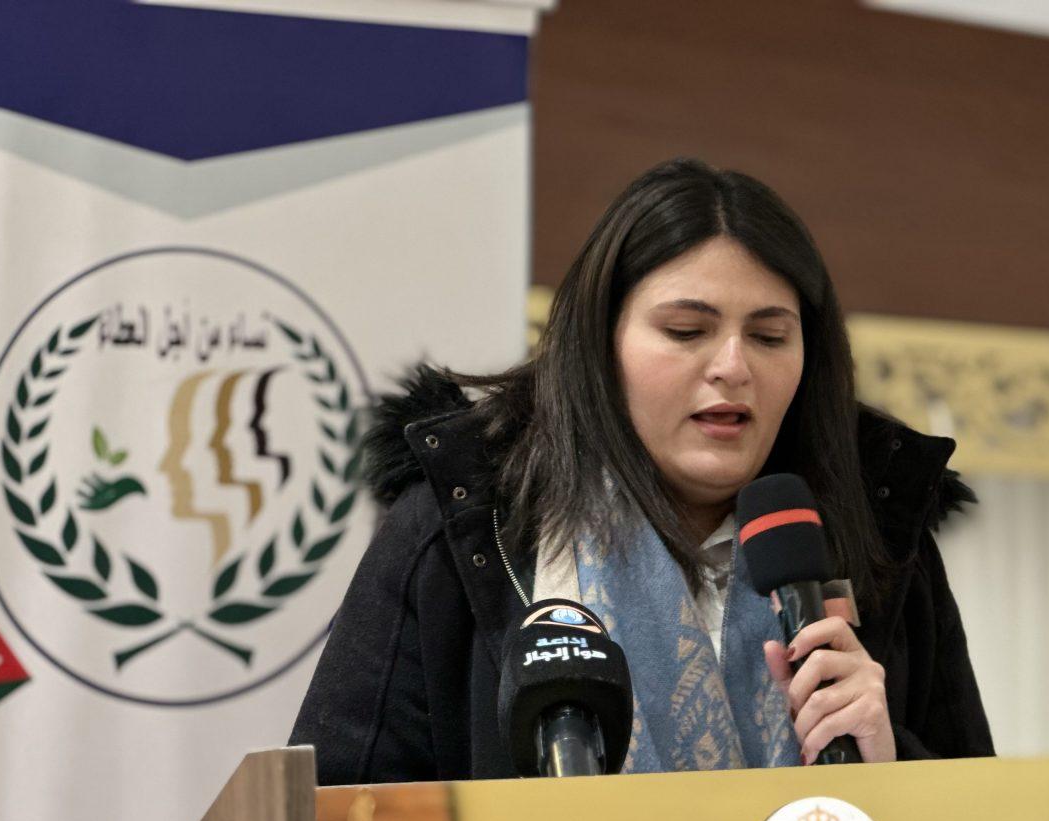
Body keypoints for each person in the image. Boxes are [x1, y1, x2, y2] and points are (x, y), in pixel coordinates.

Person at [292, 158, 993, 784]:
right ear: (600, 344)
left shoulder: (876, 535)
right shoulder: (466, 523)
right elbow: (335, 820)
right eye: (686, 331)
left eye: (769, 336)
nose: (733, 366)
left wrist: (892, 763)